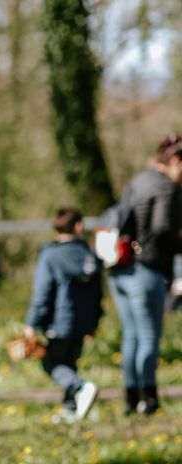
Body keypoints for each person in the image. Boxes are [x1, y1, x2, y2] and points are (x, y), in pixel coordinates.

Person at [110, 133, 182, 415]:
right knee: (149, 336)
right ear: (176, 161)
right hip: (147, 270)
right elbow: (163, 229)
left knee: (131, 335)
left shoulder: (136, 181)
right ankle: (148, 398)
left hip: (120, 270)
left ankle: (130, 398)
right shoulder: (167, 188)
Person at [23, 208, 102, 424]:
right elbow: (98, 291)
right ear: (78, 226)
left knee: (51, 363)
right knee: (70, 361)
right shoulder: (89, 255)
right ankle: (71, 409)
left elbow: (43, 292)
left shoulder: (51, 255)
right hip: (83, 320)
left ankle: (81, 388)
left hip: (59, 321)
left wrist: (32, 322)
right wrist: (95, 320)